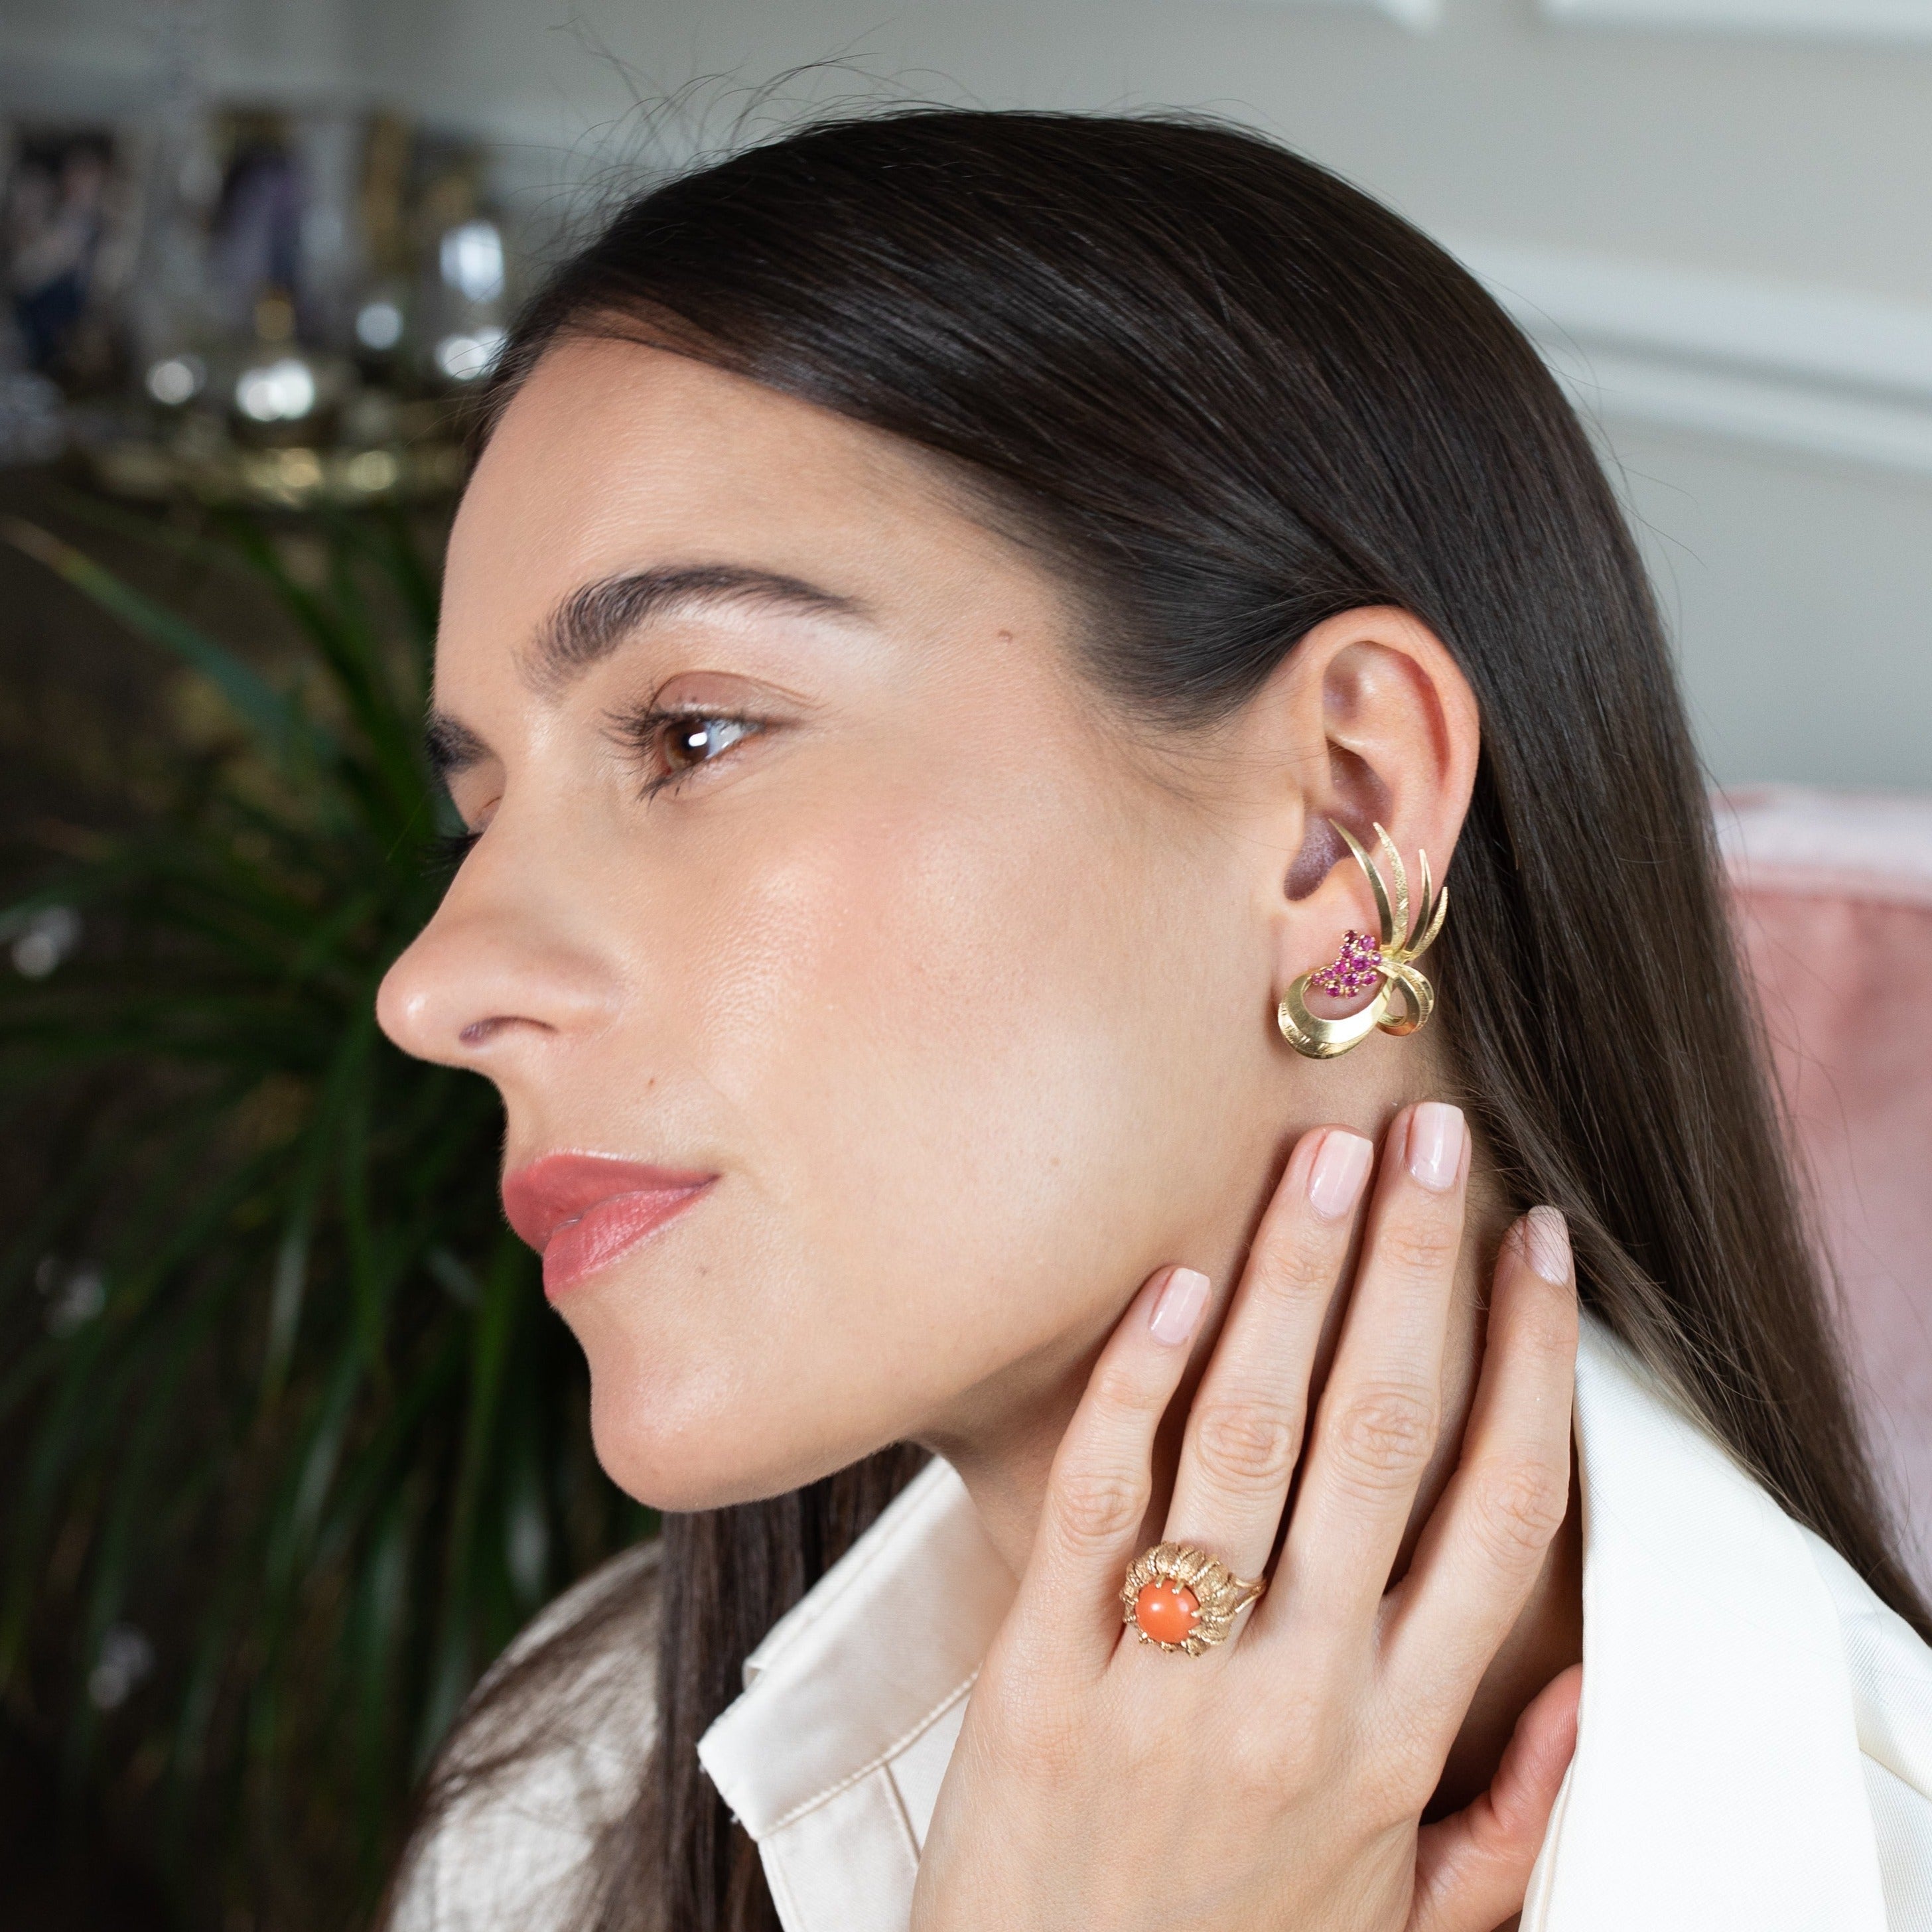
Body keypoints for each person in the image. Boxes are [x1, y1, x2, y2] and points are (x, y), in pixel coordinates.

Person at [372, 109, 1932, 1932]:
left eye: (693, 733)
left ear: (1343, 813)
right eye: (482, 811)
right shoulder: (576, 1788)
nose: (436, 986)